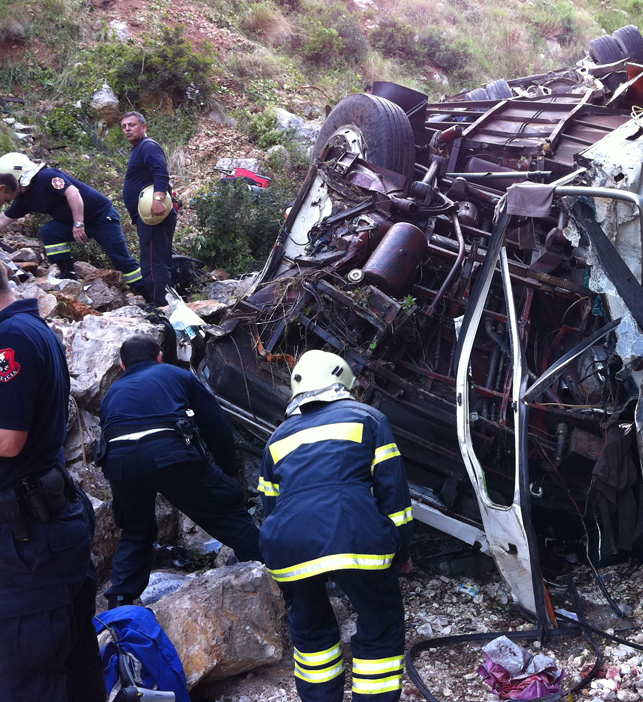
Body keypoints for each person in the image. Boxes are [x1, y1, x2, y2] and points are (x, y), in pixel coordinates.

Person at [259, 349, 413, 702]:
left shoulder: (276, 439)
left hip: (289, 548)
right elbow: (393, 495)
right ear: (342, 382)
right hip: (355, 535)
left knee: (311, 635)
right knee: (380, 623)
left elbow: (269, 507)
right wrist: (400, 550)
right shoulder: (368, 419)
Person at [0, 261, 105, 700]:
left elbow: (8, 440)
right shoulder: (31, 328)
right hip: (45, 522)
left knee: (28, 675)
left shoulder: (11, 338)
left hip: (28, 541)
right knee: (76, 664)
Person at [99, 335, 262, 608]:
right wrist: (224, 469)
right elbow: (216, 424)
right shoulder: (176, 374)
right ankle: (274, 574)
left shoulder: (112, 393)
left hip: (120, 464)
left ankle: (120, 602)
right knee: (226, 513)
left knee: (136, 530)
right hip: (170, 454)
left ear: (122, 365)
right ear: (160, 357)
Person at [0, 153, 143, 288]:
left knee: (121, 260)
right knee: (49, 231)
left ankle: (151, 296)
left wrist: (78, 223)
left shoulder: (46, 176)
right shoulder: (24, 199)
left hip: (101, 218)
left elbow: (73, 193)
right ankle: (68, 272)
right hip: (74, 225)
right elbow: (4, 219)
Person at [121, 111, 174, 307]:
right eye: (124, 126)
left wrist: (158, 199)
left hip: (154, 215)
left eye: (132, 125)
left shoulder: (147, 146)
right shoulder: (139, 148)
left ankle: (160, 308)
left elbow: (161, 172)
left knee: (153, 265)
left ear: (144, 127)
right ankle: (166, 303)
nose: (127, 129)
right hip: (148, 216)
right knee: (157, 262)